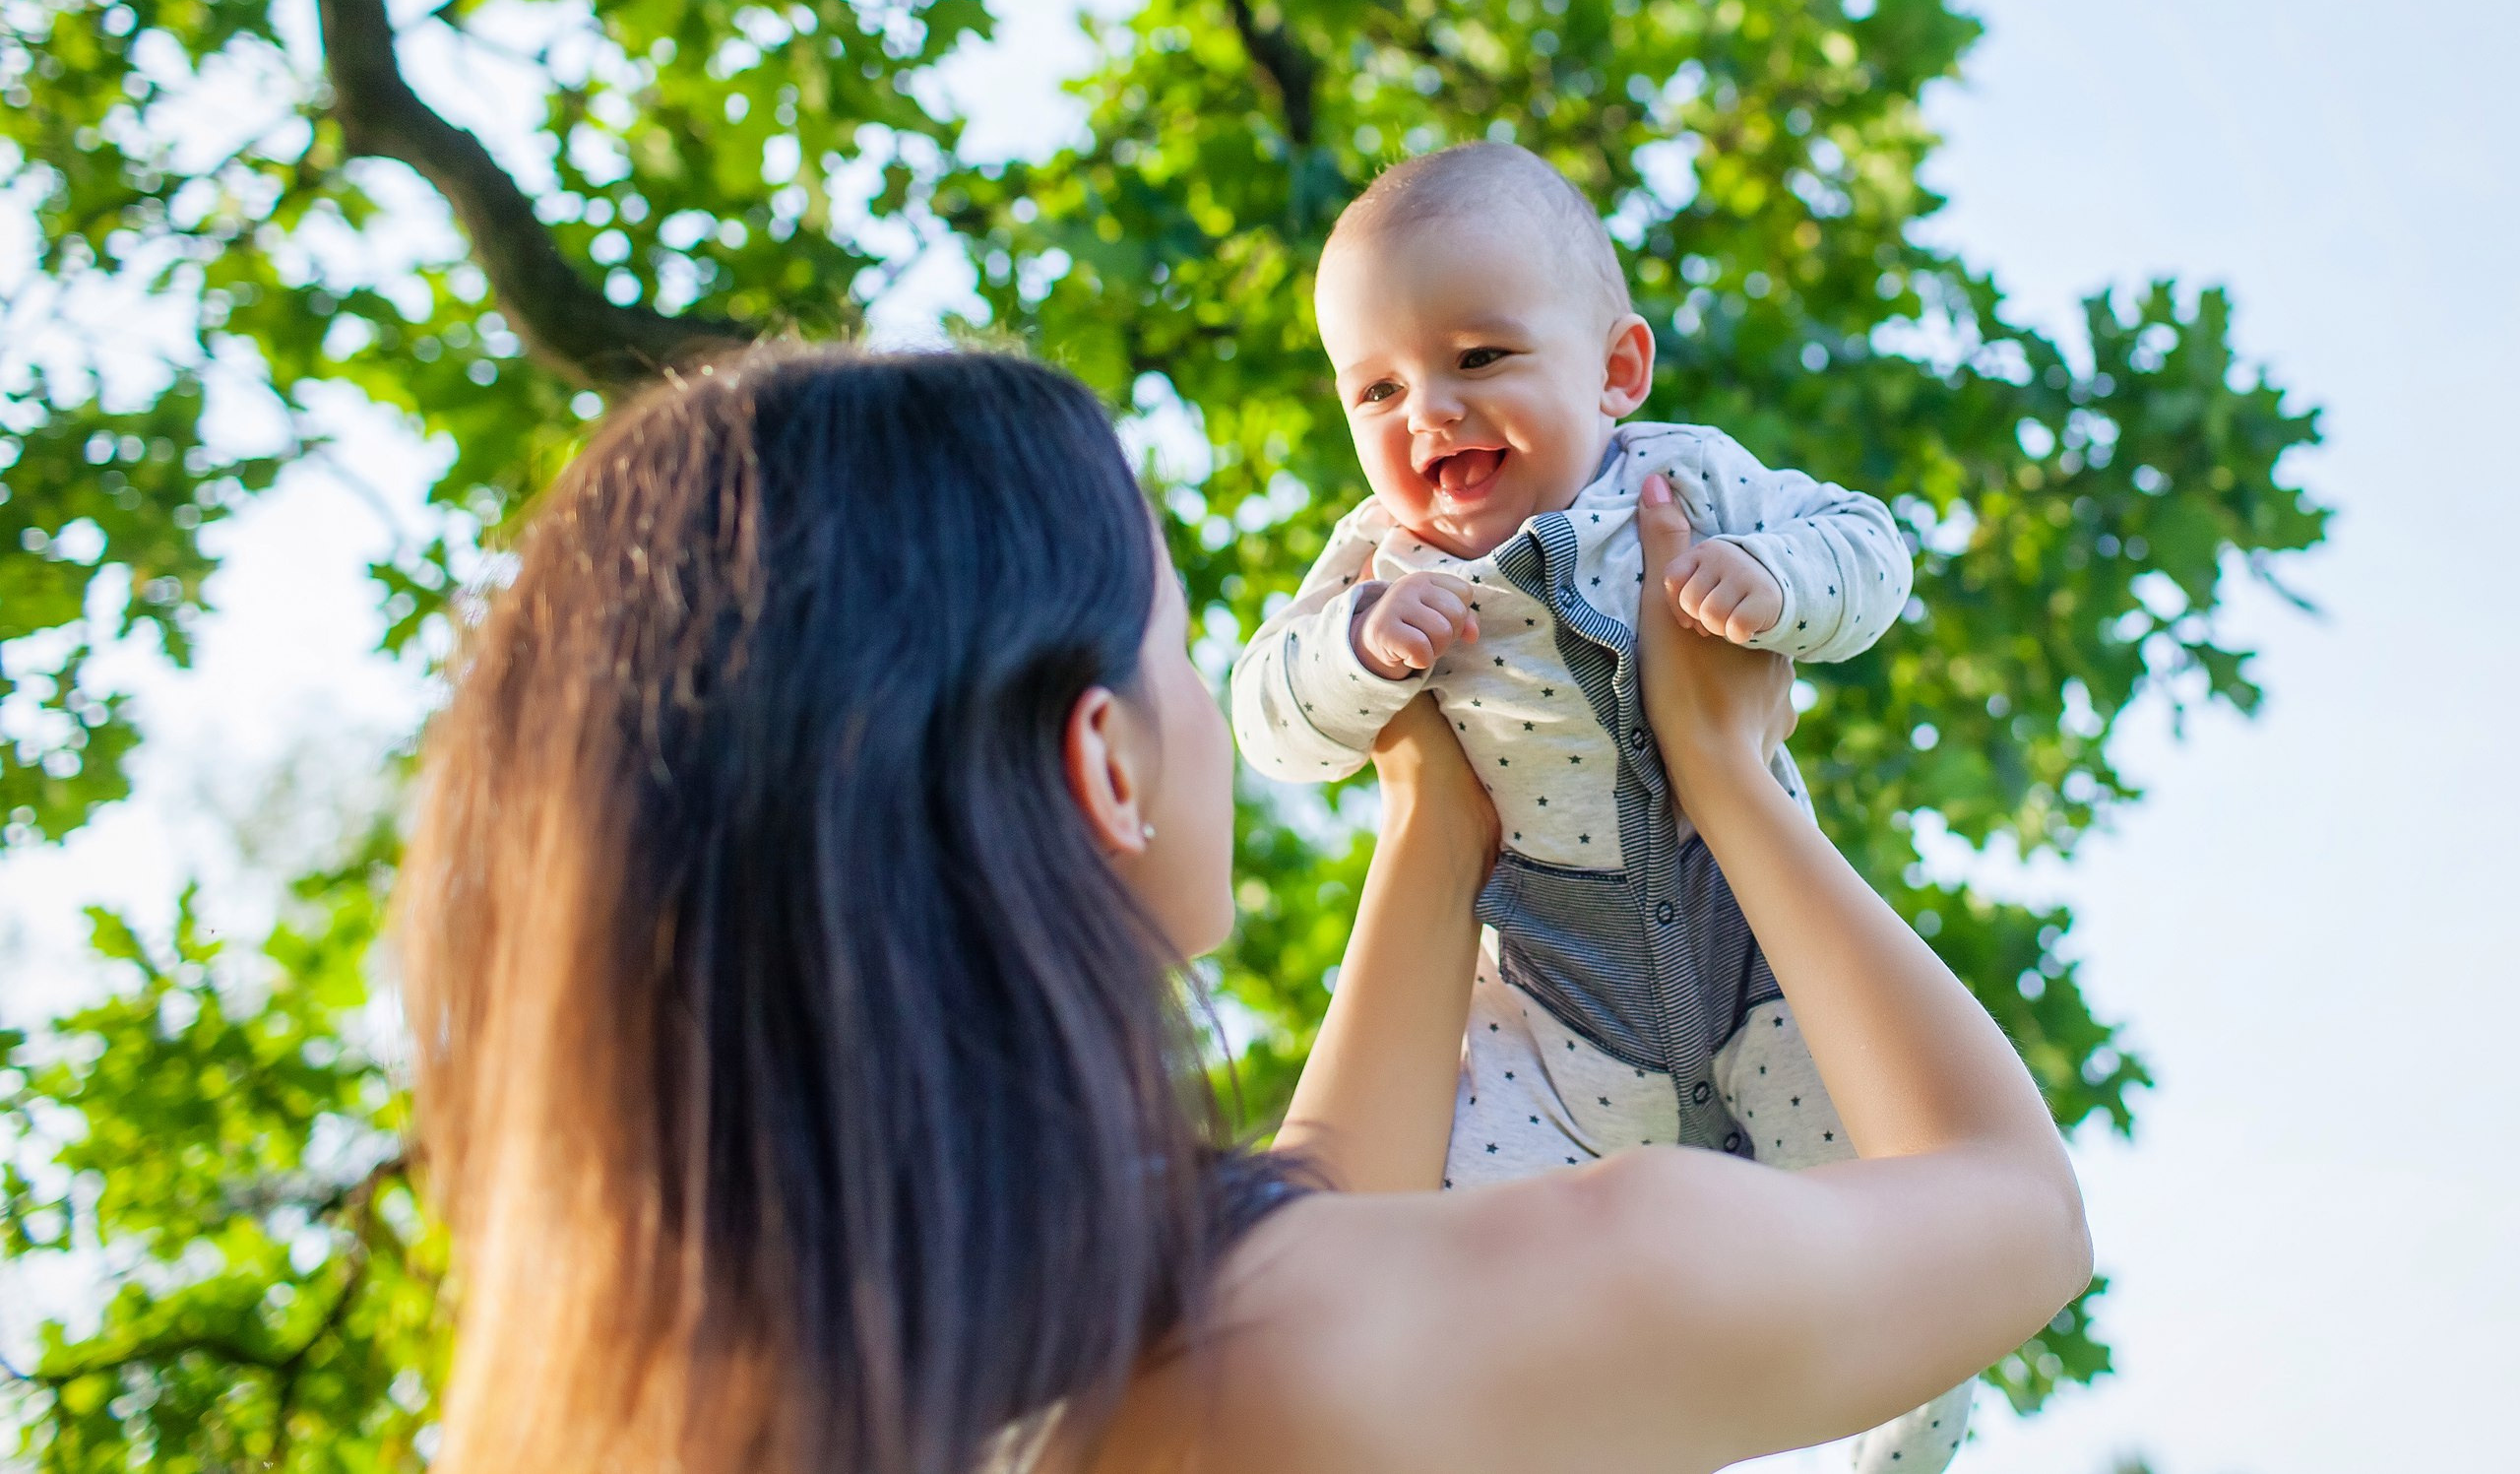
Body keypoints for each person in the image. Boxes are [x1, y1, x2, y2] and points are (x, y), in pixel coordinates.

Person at [394, 345, 2089, 1474]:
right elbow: (2014, 1219)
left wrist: (1435, 816)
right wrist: (1727, 779)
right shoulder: (1322, 1353)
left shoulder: (758, 1405)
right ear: (1107, 767)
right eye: (1186, 639)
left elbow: (1321, 1216)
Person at [1228, 143, 1953, 1470]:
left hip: (1757, 951)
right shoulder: (1377, 563)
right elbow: (1266, 718)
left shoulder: (1686, 486)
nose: (1428, 412)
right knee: (1432, 1265)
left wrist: (1772, 580)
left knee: (1912, 1203)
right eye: (1377, 387)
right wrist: (1356, 647)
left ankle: (1910, 1430)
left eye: (1480, 358)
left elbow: (1871, 541)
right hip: (1555, 1002)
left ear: (1616, 371)